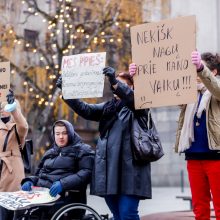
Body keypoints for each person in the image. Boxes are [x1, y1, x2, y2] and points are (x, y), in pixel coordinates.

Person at [129, 51, 220, 220]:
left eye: (200, 70)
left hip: (216, 158)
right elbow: (161, 91)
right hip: (193, 157)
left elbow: (215, 88)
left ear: (213, 72)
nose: (195, 74)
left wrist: (201, 68)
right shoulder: (189, 93)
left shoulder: (216, 90)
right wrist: (138, 79)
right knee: (200, 208)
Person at [56, 68, 152, 220]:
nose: (116, 87)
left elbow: (131, 99)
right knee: (117, 215)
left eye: (122, 84)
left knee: (128, 214)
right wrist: (66, 91)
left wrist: (114, 82)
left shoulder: (140, 106)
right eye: (115, 83)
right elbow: (85, 109)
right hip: (109, 172)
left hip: (130, 172)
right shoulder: (108, 107)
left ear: (132, 88)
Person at [21, 119, 95, 219]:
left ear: (71, 133)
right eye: (57, 133)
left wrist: (62, 184)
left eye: (64, 133)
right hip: (42, 197)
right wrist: (30, 181)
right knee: (19, 211)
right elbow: (39, 175)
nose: (61, 137)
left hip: (64, 198)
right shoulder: (49, 153)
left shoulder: (83, 150)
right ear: (54, 135)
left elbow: (86, 173)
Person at [0, 89, 28, 220]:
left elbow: (23, 126)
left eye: (5, 105)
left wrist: (13, 109)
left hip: (12, 175)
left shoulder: (17, 127)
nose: (2, 108)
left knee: (8, 214)